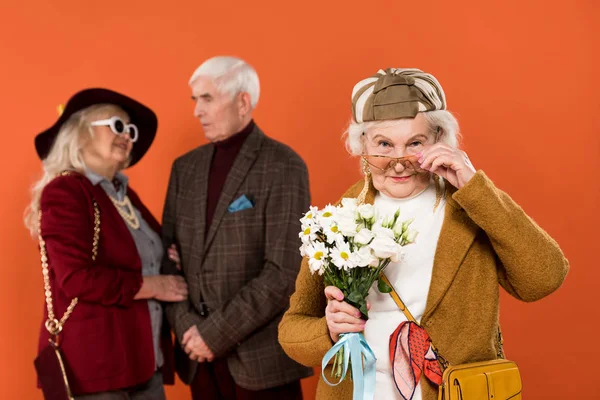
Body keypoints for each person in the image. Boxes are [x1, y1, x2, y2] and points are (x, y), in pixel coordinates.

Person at [278, 68, 569, 400]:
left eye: (414, 143)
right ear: (362, 147)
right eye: (384, 145)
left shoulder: (471, 205)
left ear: (439, 141)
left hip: (455, 390)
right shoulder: (341, 216)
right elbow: (292, 331)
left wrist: (475, 187)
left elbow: (544, 278)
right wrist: (329, 331)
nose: (398, 163)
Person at [161, 56, 313, 400]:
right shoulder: (184, 169)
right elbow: (166, 259)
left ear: (243, 102)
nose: (197, 111)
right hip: (198, 361)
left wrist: (213, 335)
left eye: (207, 98)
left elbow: (284, 272)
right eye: (195, 100)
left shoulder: (283, 165)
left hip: (262, 366)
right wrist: (187, 330)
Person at [25, 88, 187, 399]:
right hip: (97, 369)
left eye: (131, 130)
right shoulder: (67, 191)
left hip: (145, 362)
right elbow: (76, 279)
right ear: (79, 133)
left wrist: (171, 257)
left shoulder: (124, 196)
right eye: (116, 125)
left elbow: (143, 256)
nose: (127, 136)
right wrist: (154, 285)